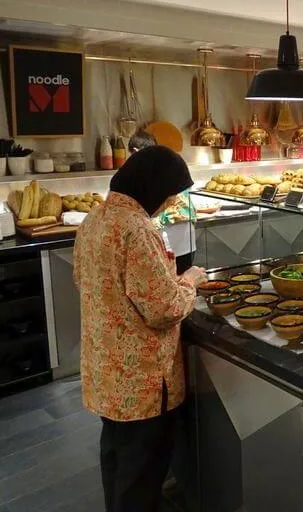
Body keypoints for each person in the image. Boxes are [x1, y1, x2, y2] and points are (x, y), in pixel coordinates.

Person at [73, 146, 208, 512]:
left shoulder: (94, 220)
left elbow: (90, 283)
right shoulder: (137, 229)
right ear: (153, 187)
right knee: (142, 472)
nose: (167, 204)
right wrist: (189, 282)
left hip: (106, 372)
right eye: (168, 195)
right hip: (142, 381)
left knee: (116, 458)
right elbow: (164, 309)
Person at [128, 131, 197, 274]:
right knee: (184, 284)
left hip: (164, 243)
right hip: (186, 240)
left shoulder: (141, 174)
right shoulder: (170, 164)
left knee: (168, 290)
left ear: (135, 151)